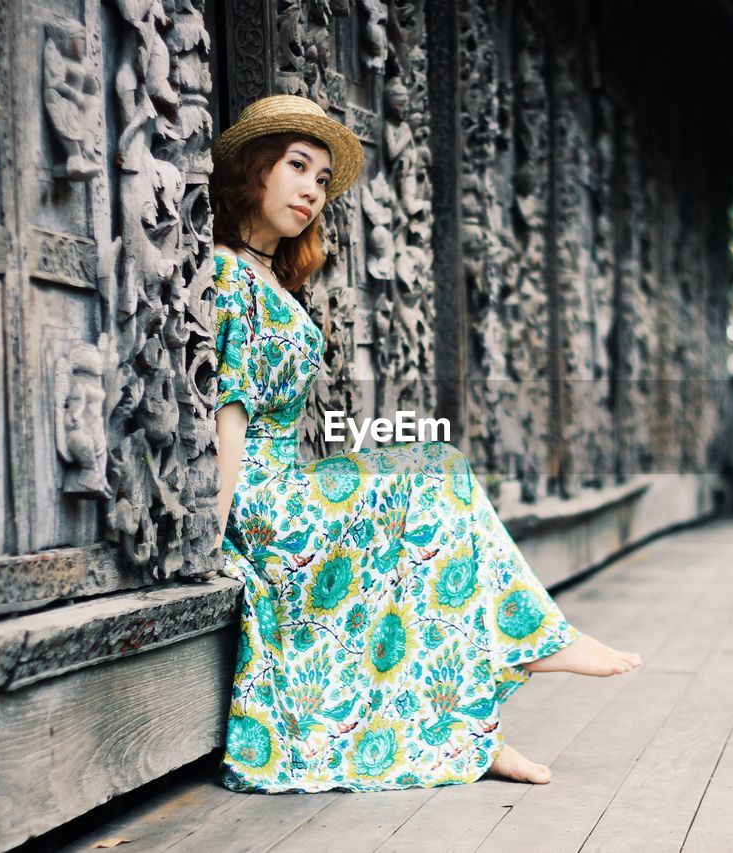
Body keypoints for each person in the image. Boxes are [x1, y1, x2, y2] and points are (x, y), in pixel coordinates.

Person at [206, 94, 642, 794]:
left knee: (438, 485)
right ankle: (536, 642)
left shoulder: (274, 283)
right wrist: (212, 541)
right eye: (297, 167)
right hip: (261, 506)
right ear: (251, 169)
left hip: (287, 486)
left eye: (322, 179)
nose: (313, 190)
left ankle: (479, 728)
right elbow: (230, 412)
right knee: (433, 472)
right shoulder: (226, 273)